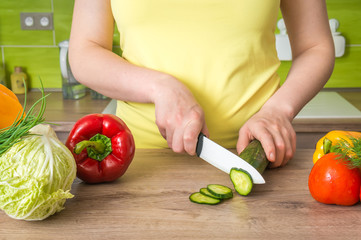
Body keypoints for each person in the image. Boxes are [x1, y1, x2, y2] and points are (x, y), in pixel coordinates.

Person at [68, 0, 335, 168]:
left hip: (257, 153)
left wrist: (278, 111)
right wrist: (160, 86)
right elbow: (84, 51)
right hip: (135, 162)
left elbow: (315, 46)